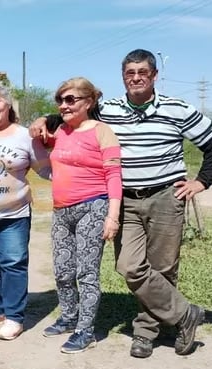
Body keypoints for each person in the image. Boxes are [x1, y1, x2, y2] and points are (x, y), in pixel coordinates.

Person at [30, 49, 212, 358]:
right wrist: (44, 118)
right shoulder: (107, 110)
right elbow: (72, 114)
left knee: (163, 268)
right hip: (127, 200)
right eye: (130, 73)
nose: (136, 78)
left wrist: (201, 181)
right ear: (123, 77)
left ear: (154, 76)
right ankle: (186, 313)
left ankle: (146, 332)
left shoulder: (177, 109)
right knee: (129, 266)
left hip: (166, 196)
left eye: (142, 73)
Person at [40, 78, 122, 354]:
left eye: (71, 99)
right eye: (60, 100)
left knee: (87, 272)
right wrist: (42, 119)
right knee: (63, 271)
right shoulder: (60, 131)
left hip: (93, 206)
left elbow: (113, 175)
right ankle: (68, 316)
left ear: (89, 102)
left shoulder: (102, 132)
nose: (64, 105)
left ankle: (85, 331)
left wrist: (113, 216)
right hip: (61, 210)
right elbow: (32, 133)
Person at [0, 84, 51, 341]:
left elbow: (46, 168)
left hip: (14, 214)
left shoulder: (24, 136)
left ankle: (14, 317)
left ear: (8, 105)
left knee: (13, 264)